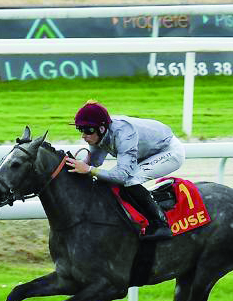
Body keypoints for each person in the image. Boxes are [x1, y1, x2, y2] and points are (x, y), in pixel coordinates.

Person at [64, 101, 185, 240]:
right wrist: (78, 165)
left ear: (102, 129)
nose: (83, 136)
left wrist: (89, 169)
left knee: (130, 180)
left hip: (169, 151)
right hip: (146, 151)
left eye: (88, 130)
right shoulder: (99, 133)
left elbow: (121, 176)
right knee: (109, 180)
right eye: (81, 129)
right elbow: (95, 162)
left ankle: (161, 225)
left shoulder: (123, 134)